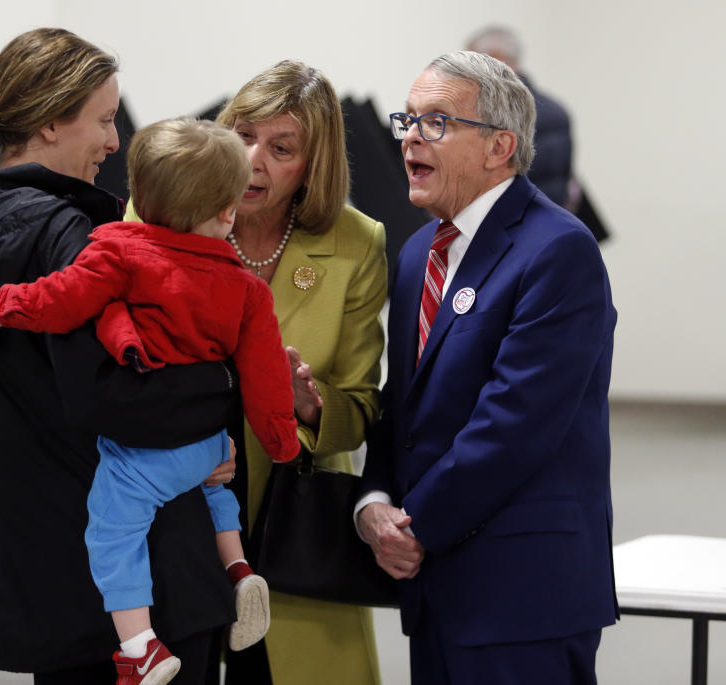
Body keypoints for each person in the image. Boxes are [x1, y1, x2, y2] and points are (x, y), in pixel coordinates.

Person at [0, 28, 243, 685]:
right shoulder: (73, 236)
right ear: (49, 124)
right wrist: (221, 406)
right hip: (144, 580)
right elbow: (111, 392)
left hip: (51, 569)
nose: (115, 141)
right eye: (103, 120)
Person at [0, 117, 303, 682]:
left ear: (138, 195)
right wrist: (280, 440)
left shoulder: (119, 253)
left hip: (147, 455)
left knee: (112, 529)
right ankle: (236, 566)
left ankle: (139, 648)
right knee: (213, 488)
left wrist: (9, 305)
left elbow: (63, 300)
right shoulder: (247, 287)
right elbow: (266, 372)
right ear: (228, 212)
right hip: (208, 445)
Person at [358, 51, 618, 683]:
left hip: (523, 591)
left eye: (437, 123)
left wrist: (415, 528)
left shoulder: (558, 250)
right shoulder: (421, 250)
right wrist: (373, 500)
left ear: (500, 146)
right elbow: (408, 401)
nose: (410, 137)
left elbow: (514, 423)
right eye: (408, 120)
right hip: (436, 583)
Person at [194, 60, 389, 685]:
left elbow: (359, 406)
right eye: (244, 135)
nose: (253, 160)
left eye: (281, 148)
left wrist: (311, 406)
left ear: (313, 165)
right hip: (181, 492)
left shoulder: (357, 243)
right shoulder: (165, 209)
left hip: (293, 505)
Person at [466, 25, 574, 209]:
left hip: (509, 222)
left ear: (496, 57)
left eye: (471, 62)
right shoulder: (556, 109)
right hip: (548, 221)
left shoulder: (499, 111)